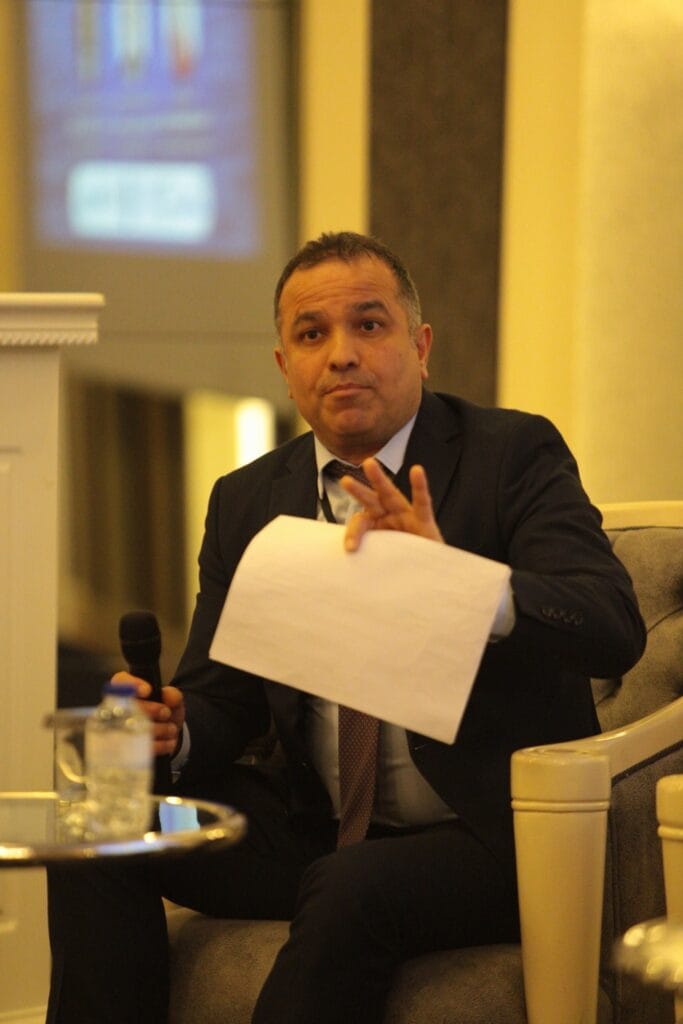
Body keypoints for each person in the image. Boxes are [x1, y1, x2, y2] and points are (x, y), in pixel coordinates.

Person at [46, 231, 646, 1024]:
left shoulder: (511, 455)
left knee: (351, 883)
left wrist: (457, 584)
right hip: (307, 833)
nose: (340, 355)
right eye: (311, 334)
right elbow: (222, 697)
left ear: (420, 346)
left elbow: (609, 624)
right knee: (102, 821)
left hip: (487, 840)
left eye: (368, 325)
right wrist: (176, 731)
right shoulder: (247, 498)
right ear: (284, 367)